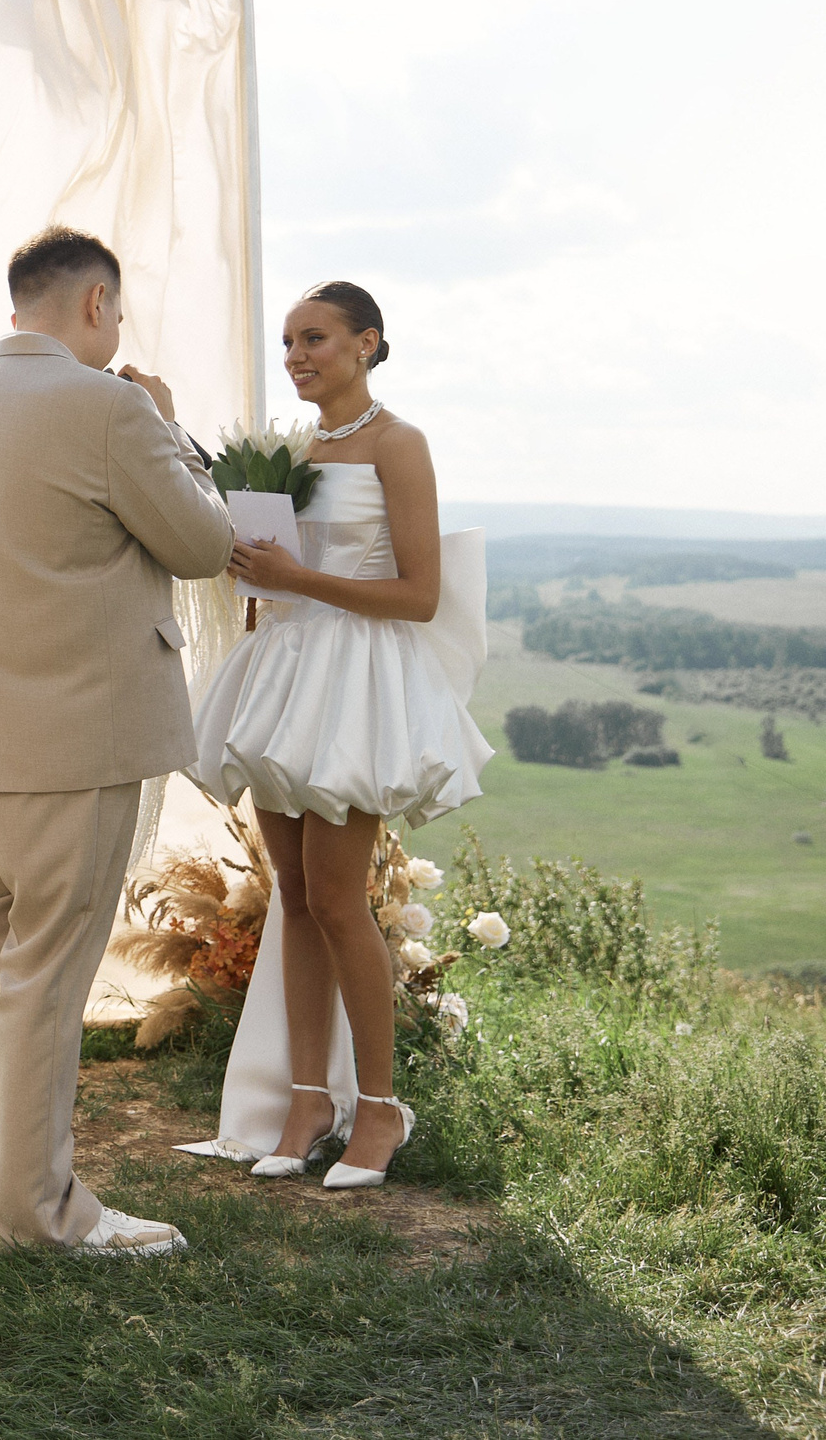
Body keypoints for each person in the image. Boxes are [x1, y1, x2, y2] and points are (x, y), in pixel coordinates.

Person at [0, 225, 234, 1254]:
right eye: (119, 314)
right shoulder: (111, 407)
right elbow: (203, 541)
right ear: (96, 304)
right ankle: (35, 1214)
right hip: (77, 742)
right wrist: (172, 430)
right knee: (45, 977)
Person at [186, 280, 491, 1188]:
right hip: (286, 671)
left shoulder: (401, 445)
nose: (297, 356)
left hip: (358, 681)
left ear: (368, 343)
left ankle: (384, 1111)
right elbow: (283, 571)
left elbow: (420, 594)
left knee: (338, 895)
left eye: (315, 339)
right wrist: (260, 580)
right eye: (288, 342)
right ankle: (308, 1099)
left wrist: (299, 578)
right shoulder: (293, 451)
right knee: (294, 890)